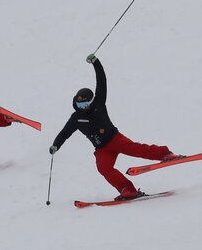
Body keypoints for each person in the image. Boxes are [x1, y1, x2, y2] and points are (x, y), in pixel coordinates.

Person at [50, 55, 185, 200]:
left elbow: (102, 80)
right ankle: (127, 189)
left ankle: (164, 154)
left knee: (137, 149)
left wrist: (96, 62)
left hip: (115, 139)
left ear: (91, 101)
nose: (83, 107)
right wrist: (55, 145)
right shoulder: (76, 118)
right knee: (103, 168)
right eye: (80, 105)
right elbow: (64, 133)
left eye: (85, 104)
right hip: (102, 149)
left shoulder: (99, 103)